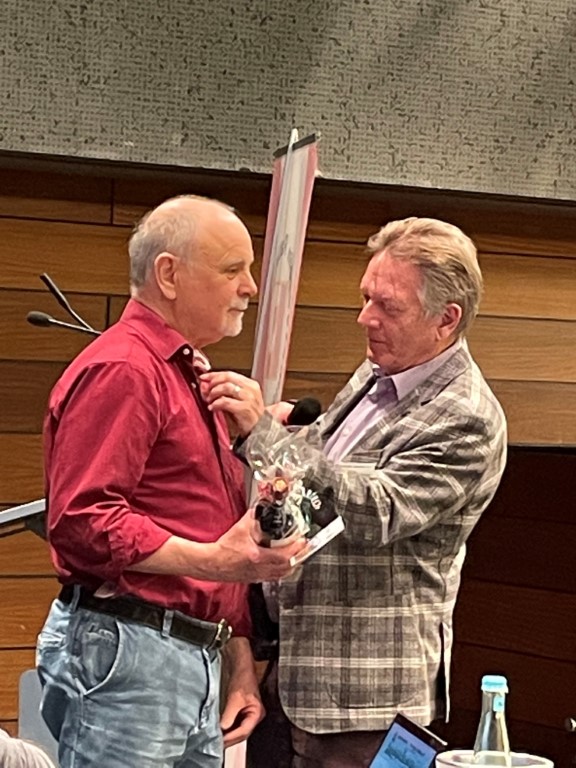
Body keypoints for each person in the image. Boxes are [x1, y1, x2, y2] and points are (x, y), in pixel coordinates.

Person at [201, 217, 508, 768]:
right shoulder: (378, 372)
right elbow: (324, 469)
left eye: (387, 306)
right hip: (292, 678)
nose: (365, 317)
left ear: (447, 318)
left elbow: (375, 510)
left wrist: (264, 437)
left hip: (364, 708)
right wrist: (288, 438)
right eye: (366, 297)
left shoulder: (467, 417)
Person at [36, 195, 305, 768]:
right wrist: (215, 560)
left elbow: (209, 528)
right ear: (168, 274)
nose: (251, 287)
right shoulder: (126, 368)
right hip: (133, 653)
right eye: (232, 269)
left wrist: (236, 661)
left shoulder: (184, 374)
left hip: (185, 654)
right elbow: (82, 520)